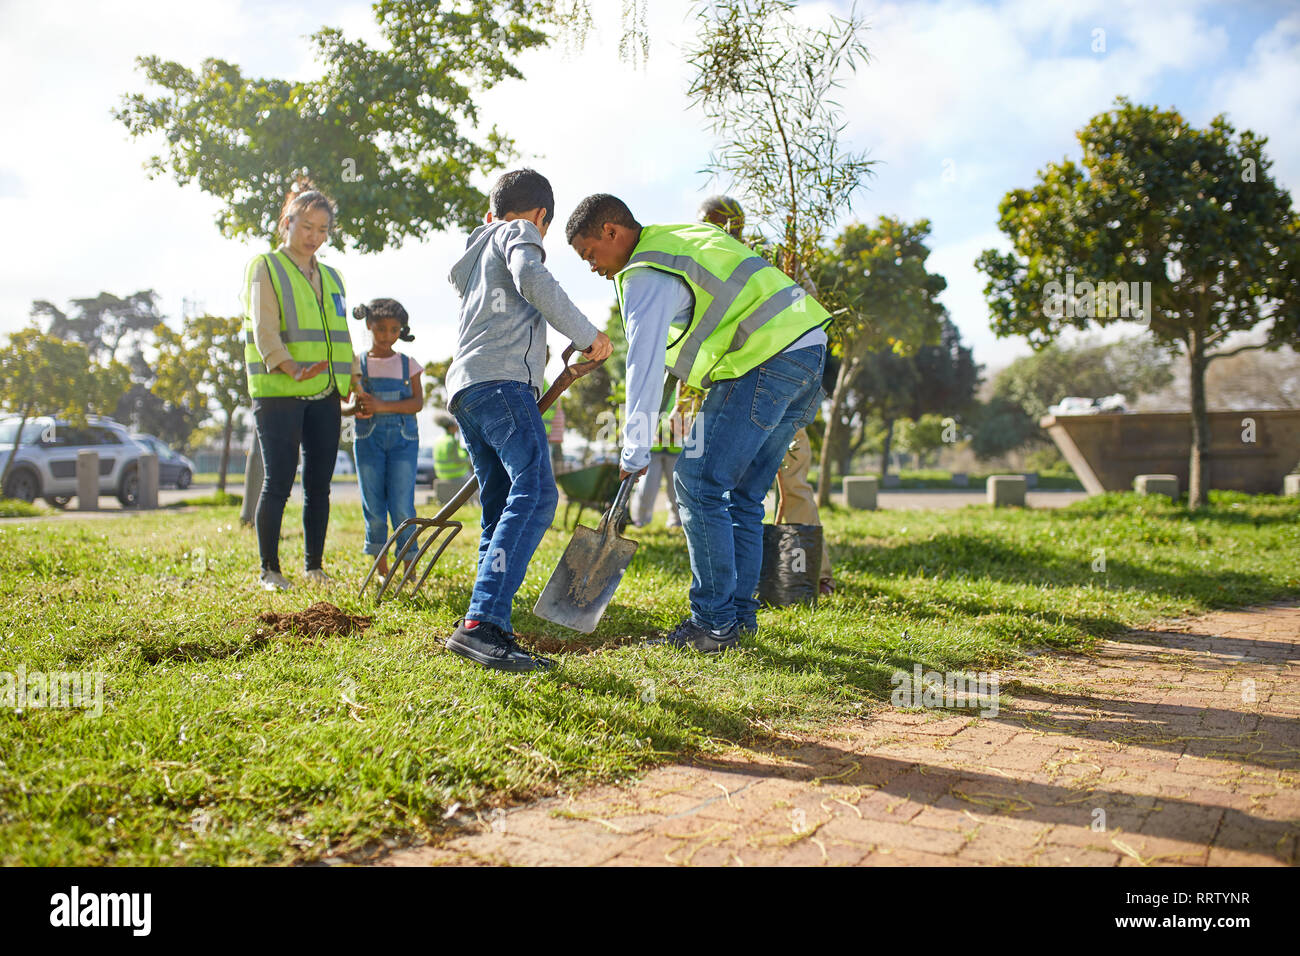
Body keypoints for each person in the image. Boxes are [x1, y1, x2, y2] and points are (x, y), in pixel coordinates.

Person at [567, 193, 830, 652]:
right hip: (807, 352)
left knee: (696, 482)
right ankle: (738, 620)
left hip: (763, 359)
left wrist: (634, 450)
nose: (592, 266)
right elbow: (668, 366)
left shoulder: (644, 275)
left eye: (590, 253)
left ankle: (712, 624)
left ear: (611, 232)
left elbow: (643, 367)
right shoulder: (681, 240)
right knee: (746, 495)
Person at [444, 168, 612, 672]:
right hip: (501, 386)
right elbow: (532, 277)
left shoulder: (475, 259)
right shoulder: (518, 234)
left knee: (500, 503)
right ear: (540, 217)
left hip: (468, 389)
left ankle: (483, 619)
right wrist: (588, 334)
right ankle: (483, 624)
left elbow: (508, 313)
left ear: (490, 210)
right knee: (537, 494)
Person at [698, 195, 834, 593]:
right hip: (738, 390)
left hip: (781, 382)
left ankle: (807, 575)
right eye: (707, 222)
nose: (715, 229)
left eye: (719, 221)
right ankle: (753, 579)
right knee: (742, 490)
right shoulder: (709, 262)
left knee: (791, 480)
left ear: (737, 222)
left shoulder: (771, 259)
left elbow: (813, 313)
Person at [242, 179, 358, 591]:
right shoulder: (265, 267)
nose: (315, 237)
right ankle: (269, 570)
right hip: (279, 392)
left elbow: (341, 332)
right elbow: (263, 327)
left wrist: (352, 378)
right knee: (278, 480)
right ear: (286, 223)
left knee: (319, 485)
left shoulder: (333, 277)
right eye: (307, 227)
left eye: (323, 230)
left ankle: (314, 566)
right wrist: (289, 366)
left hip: (325, 391)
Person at [346, 298, 423, 580]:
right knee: (374, 505)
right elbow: (342, 403)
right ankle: (381, 570)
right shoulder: (357, 364)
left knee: (402, 504)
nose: (387, 336)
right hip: (368, 439)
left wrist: (380, 405)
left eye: (394, 330)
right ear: (369, 326)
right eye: (380, 329)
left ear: (401, 330)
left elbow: (416, 404)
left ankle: (409, 567)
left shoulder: (408, 364)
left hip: (404, 439)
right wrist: (358, 407)